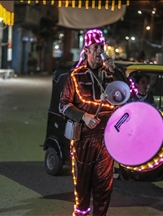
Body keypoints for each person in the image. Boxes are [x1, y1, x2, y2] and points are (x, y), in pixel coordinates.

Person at [59, 29, 129, 216]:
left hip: (108, 138)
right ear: (87, 50)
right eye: (95, 47)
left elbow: (130, 97)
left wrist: (115, 72)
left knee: (104, 185)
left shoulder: (112, 75)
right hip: (84, 138)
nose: (99, 51)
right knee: (82, 185)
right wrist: (83, 116)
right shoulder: (75, 76)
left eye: (101, 47)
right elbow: (64, 105)